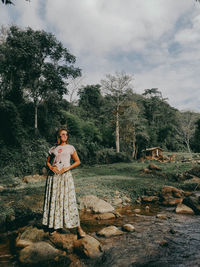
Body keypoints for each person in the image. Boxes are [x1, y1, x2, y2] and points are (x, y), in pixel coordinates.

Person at [42, 128, 86, 238]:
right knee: (54, 200)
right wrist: (51, 167)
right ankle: (54, 226)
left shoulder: (70, 148)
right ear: (59, 136)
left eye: (66, 134)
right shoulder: (53, 149)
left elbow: (77, 161)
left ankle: (78, 229)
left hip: (65, 177)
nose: (65, 136)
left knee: (69, 200)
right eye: (63, 134)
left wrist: (67, 168)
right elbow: (47, 162)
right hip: (53, 178)